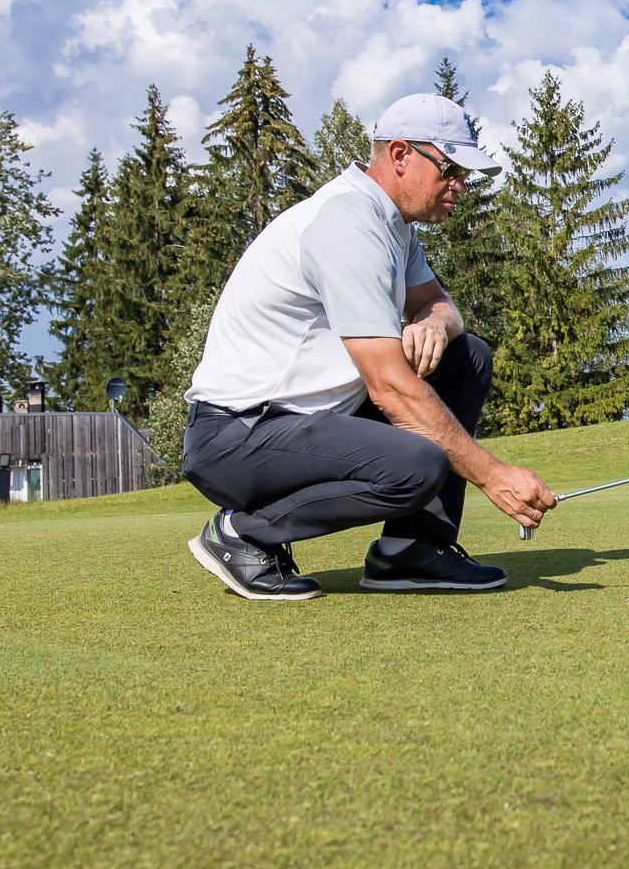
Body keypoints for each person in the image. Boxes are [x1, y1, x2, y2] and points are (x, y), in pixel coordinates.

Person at [181, 92, 554, 600]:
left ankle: (410, 552)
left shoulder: (393, 225)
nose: (460, 186)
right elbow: (389, 389)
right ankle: (243, 534)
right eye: (449, 169)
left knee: (467, 356)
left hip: (305, 423)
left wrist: (433, 323)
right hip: (239, 436)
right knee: (416, 464)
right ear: (400, 155)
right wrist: (494, 476)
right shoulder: (348, 223)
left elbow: (444, 307)